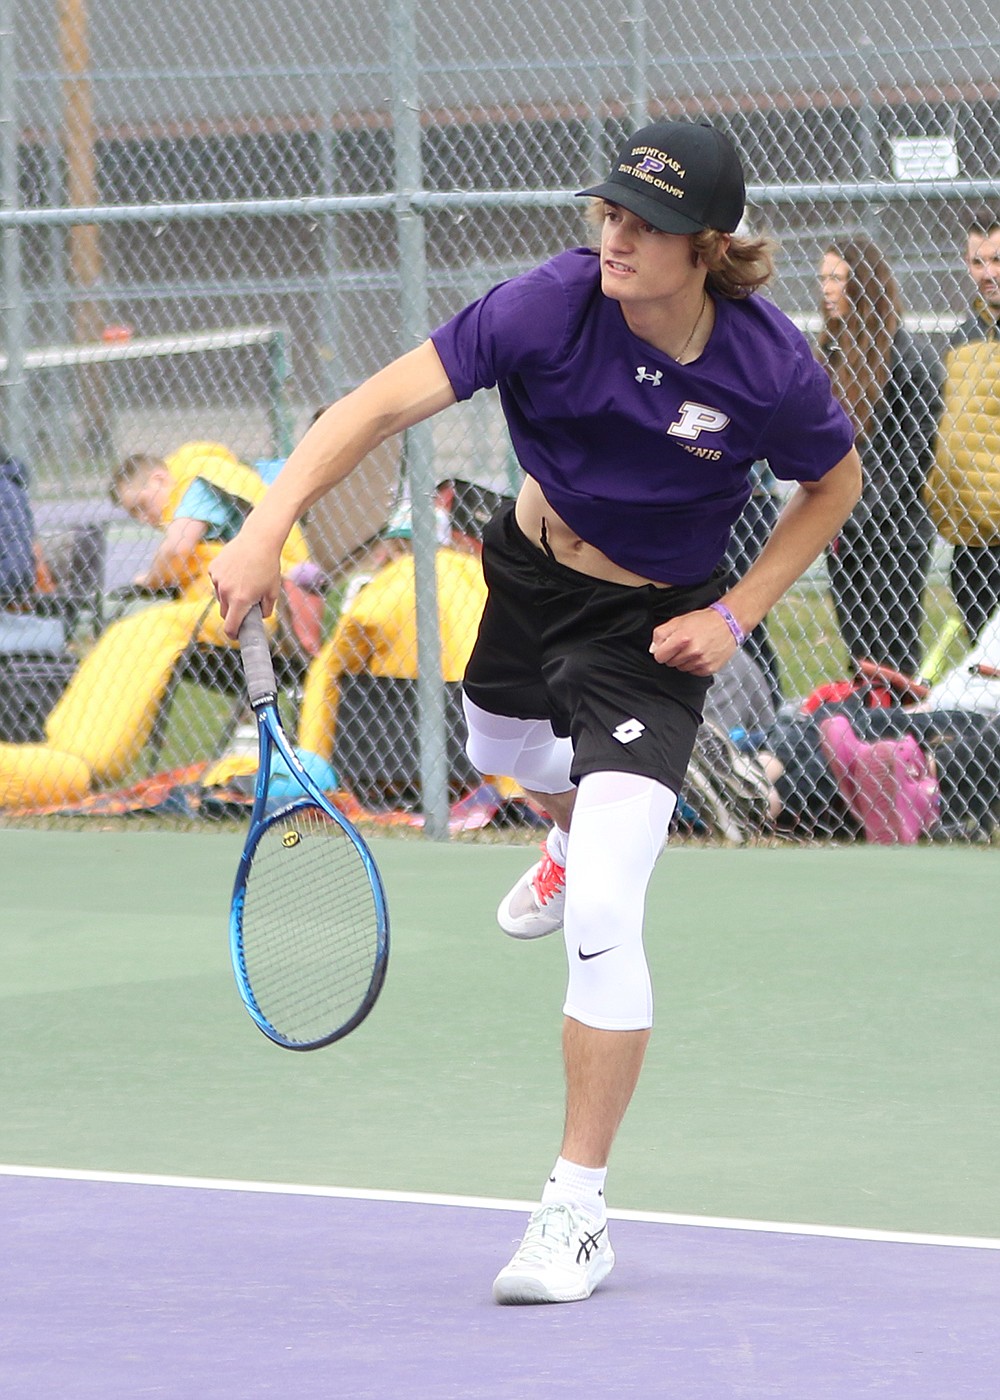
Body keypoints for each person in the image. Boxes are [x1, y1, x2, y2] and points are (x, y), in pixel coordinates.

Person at [208, 118, 861, 1306]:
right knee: (496, 747)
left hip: (653, 635)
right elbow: (371, 408)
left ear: (703, 246)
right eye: (607, 211)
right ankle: (559, 834)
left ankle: (576, 1208)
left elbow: (835, 485)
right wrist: (264, 526)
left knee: (606, 910)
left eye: (644, 223)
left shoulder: (767, 368)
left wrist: (740, 615)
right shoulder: (546, 305)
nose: (613, 235)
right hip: (526, 573)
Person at [296, 480, 508, 809]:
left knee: (337, 671)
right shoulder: (482, 578)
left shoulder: (384, 587)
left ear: (395, 546)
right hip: (483, 751)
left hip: (385, 758)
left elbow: (329, 668)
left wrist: (313, 760)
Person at [817, 238, 943, 677]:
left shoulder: (910, 360)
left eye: (837, 278)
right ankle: (864, 738)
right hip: (844, 532)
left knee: (892, 653)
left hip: (895, 533)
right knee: (859, 655)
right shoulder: (831, 358)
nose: (827, 289)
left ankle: (899, 738)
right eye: (823, 278)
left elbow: (911, 459)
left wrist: (849, 508)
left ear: (864, 284)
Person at [110, 441, 314, 649]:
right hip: (259, 582)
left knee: (152, 626)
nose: (144, 518)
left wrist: (151, 580)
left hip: (274, 583)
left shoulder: (197, 483)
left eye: (142, 506)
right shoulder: (195, 481)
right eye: (134, 514)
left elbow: (176, 548)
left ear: (159, 479)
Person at [925, 208, 1000, 642]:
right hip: (970, 541)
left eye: (996, 259)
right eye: (977, 262)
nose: (987, 273)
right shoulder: (963, 336)